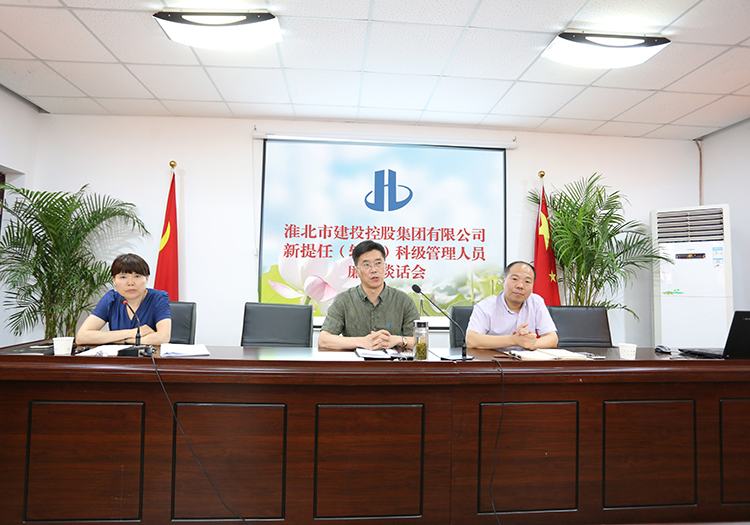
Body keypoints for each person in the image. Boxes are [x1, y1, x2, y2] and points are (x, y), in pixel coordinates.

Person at [319, 240, 419, 350]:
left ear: (385, 267)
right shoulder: (344, 300)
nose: (374, 270)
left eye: (378, 263)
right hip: (356, 360)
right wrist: (362, 342)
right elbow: (323, 340)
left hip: (394, 360)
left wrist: (398, 340)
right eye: (366, 265)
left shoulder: (403, 301)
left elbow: (420, 341)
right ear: (356, 271)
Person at [76, 253, 172, 346]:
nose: (130, 283)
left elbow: (163, 338)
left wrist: (124, 340)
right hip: (117, 356)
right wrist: (133, 332)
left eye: (137, 276)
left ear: (146, 279)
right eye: (123, 277)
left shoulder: (158, 298)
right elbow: (82, 337)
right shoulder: (111, 299)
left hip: (149, 356)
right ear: (114, 280)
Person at [465, 260, 558, 350]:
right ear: (504, 281)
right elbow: (471, 340)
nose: (520, 286)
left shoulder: (536, 302)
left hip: (527, 359)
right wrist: (514, 340)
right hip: (494, 359)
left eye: (527, 282)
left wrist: (528, 343)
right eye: (514, 279)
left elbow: (552, 339)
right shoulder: (485, 306)